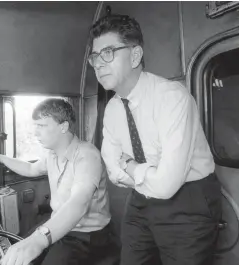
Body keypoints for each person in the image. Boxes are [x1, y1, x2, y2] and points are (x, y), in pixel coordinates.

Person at [88, 14, 222, 265]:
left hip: (188, 199)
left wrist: (131, 166)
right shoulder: (114, 109)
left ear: (136, 56)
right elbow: (113, 171)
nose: (98, 64)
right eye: (94, 56)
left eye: (107, 52)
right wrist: (146, 175)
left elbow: (167, 185)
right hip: (140, 198)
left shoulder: (172, 98)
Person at [0, 99, 111, 265]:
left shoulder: (87, 155)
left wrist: (38, 240)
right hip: (60, 224)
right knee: (17, 251)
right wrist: (1, 158)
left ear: (63, 127)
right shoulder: (53, 154)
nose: (36, 133)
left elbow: (80, 202)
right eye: (36, 126)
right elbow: (30, 169)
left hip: (86, 234)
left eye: (42, 126)